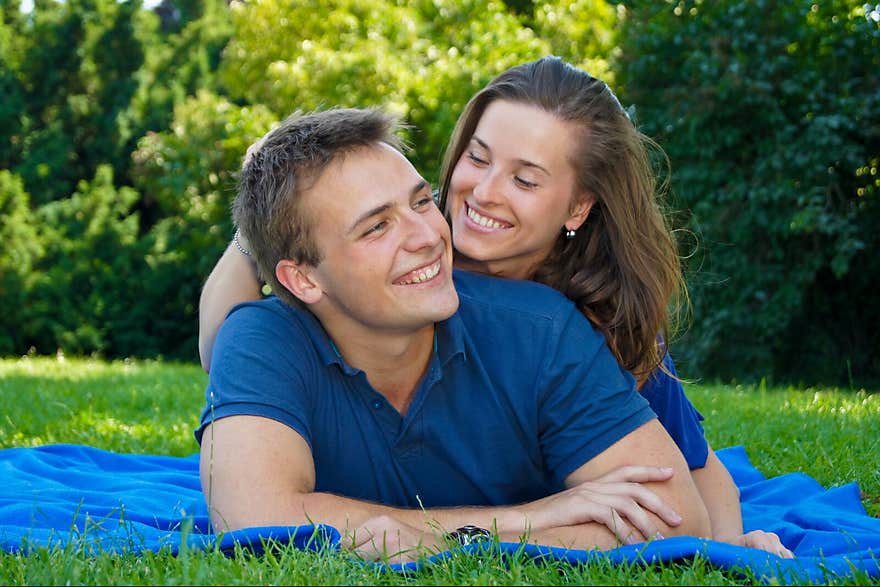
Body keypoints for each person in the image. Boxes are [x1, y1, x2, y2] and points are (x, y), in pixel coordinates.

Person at [198, 57, 790, 556]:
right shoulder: (373, 276)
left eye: (526, 181)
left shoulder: (584, 324)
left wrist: (728, 546)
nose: (481, 194)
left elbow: (689, 481)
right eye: (476, 160)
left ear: (578, 208)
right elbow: (227, 351)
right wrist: (267, 221)